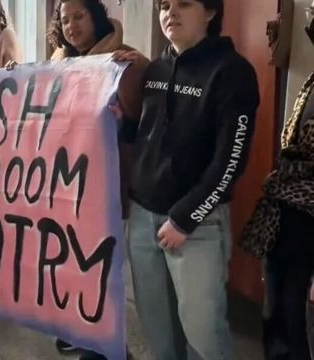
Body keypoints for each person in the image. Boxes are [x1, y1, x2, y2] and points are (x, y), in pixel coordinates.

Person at [116, 0, 260, 359]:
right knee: (157, 331)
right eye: (164, 5)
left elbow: (231, 159)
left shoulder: (232, 71)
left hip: (196, 226)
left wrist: (186, 217)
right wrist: (124, 121)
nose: (170, 13)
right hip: (143, 216)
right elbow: (147, 137)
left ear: (210, 12)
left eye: (183, 3)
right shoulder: (156, 69)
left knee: (203, 337)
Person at [46, 1, 147, 359]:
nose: (71, 25)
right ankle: (85, 330)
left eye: (79, 16)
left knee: (104, 267)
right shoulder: (59, 63)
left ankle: (108, 346)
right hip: (67, 181)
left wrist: (124, 121)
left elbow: (145, 129)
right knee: (75, 262)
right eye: (65, 19)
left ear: (96, 16)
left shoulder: (129, 63)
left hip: (108, 184)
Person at [242, 1, 314, 358]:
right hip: (287, 206)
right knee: (277, 309)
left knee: (292, 312)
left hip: (307, 209)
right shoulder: (312, 81)